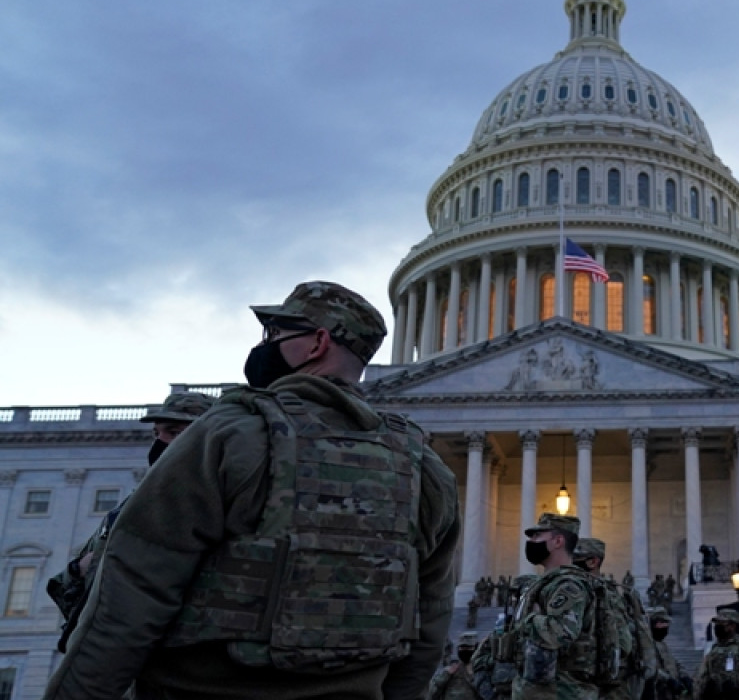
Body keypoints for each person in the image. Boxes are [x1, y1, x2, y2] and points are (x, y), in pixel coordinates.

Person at [43, 281, 461, 700]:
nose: (265, 346)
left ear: (317, 343)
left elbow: (131, 594)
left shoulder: (232, 433)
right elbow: (429, 625)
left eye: (276, 333)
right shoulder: (425, 467)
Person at [46, 391, 214, 653]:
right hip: (105, 640)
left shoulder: (211, 497)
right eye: (156, 433)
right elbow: (75, 582)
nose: (159, 442)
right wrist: (79, 569)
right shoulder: (136, 501)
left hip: (164, 646)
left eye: (174, 432)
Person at [510, 513, 600, 700]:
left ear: (558, 541)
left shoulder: (568, 585)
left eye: (537, 536)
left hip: (562, 693)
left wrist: (530, 618)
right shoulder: (547, 583)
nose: (531, 541)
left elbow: (559, 632)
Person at [574, 538, 658, 700]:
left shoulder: (606, 595)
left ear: (593, 562)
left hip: (608, 682)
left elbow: (624, 644)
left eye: (575, 561)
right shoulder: (606, 592)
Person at [692, 608, 739, 700]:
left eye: (722, 623)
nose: (717, 626)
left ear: (732, 626)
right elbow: (703, 676)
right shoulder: (714, 649)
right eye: (717, 623)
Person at [644, 606, 691, 700]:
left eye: (666, 623)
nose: (665, 626)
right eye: (662, 623)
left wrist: (684, 676)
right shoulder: (646, 645)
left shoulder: (663, 645)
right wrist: (668, 679)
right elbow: (649, 668)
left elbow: (675, 663)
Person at [429, 632, 483, 700]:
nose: (465, 650)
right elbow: (431, 694)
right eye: (462, 647)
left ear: (476, 649)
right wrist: (446, 675)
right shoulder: (450, 670)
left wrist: (472, 676)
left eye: (469, 647)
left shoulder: (481, 670)